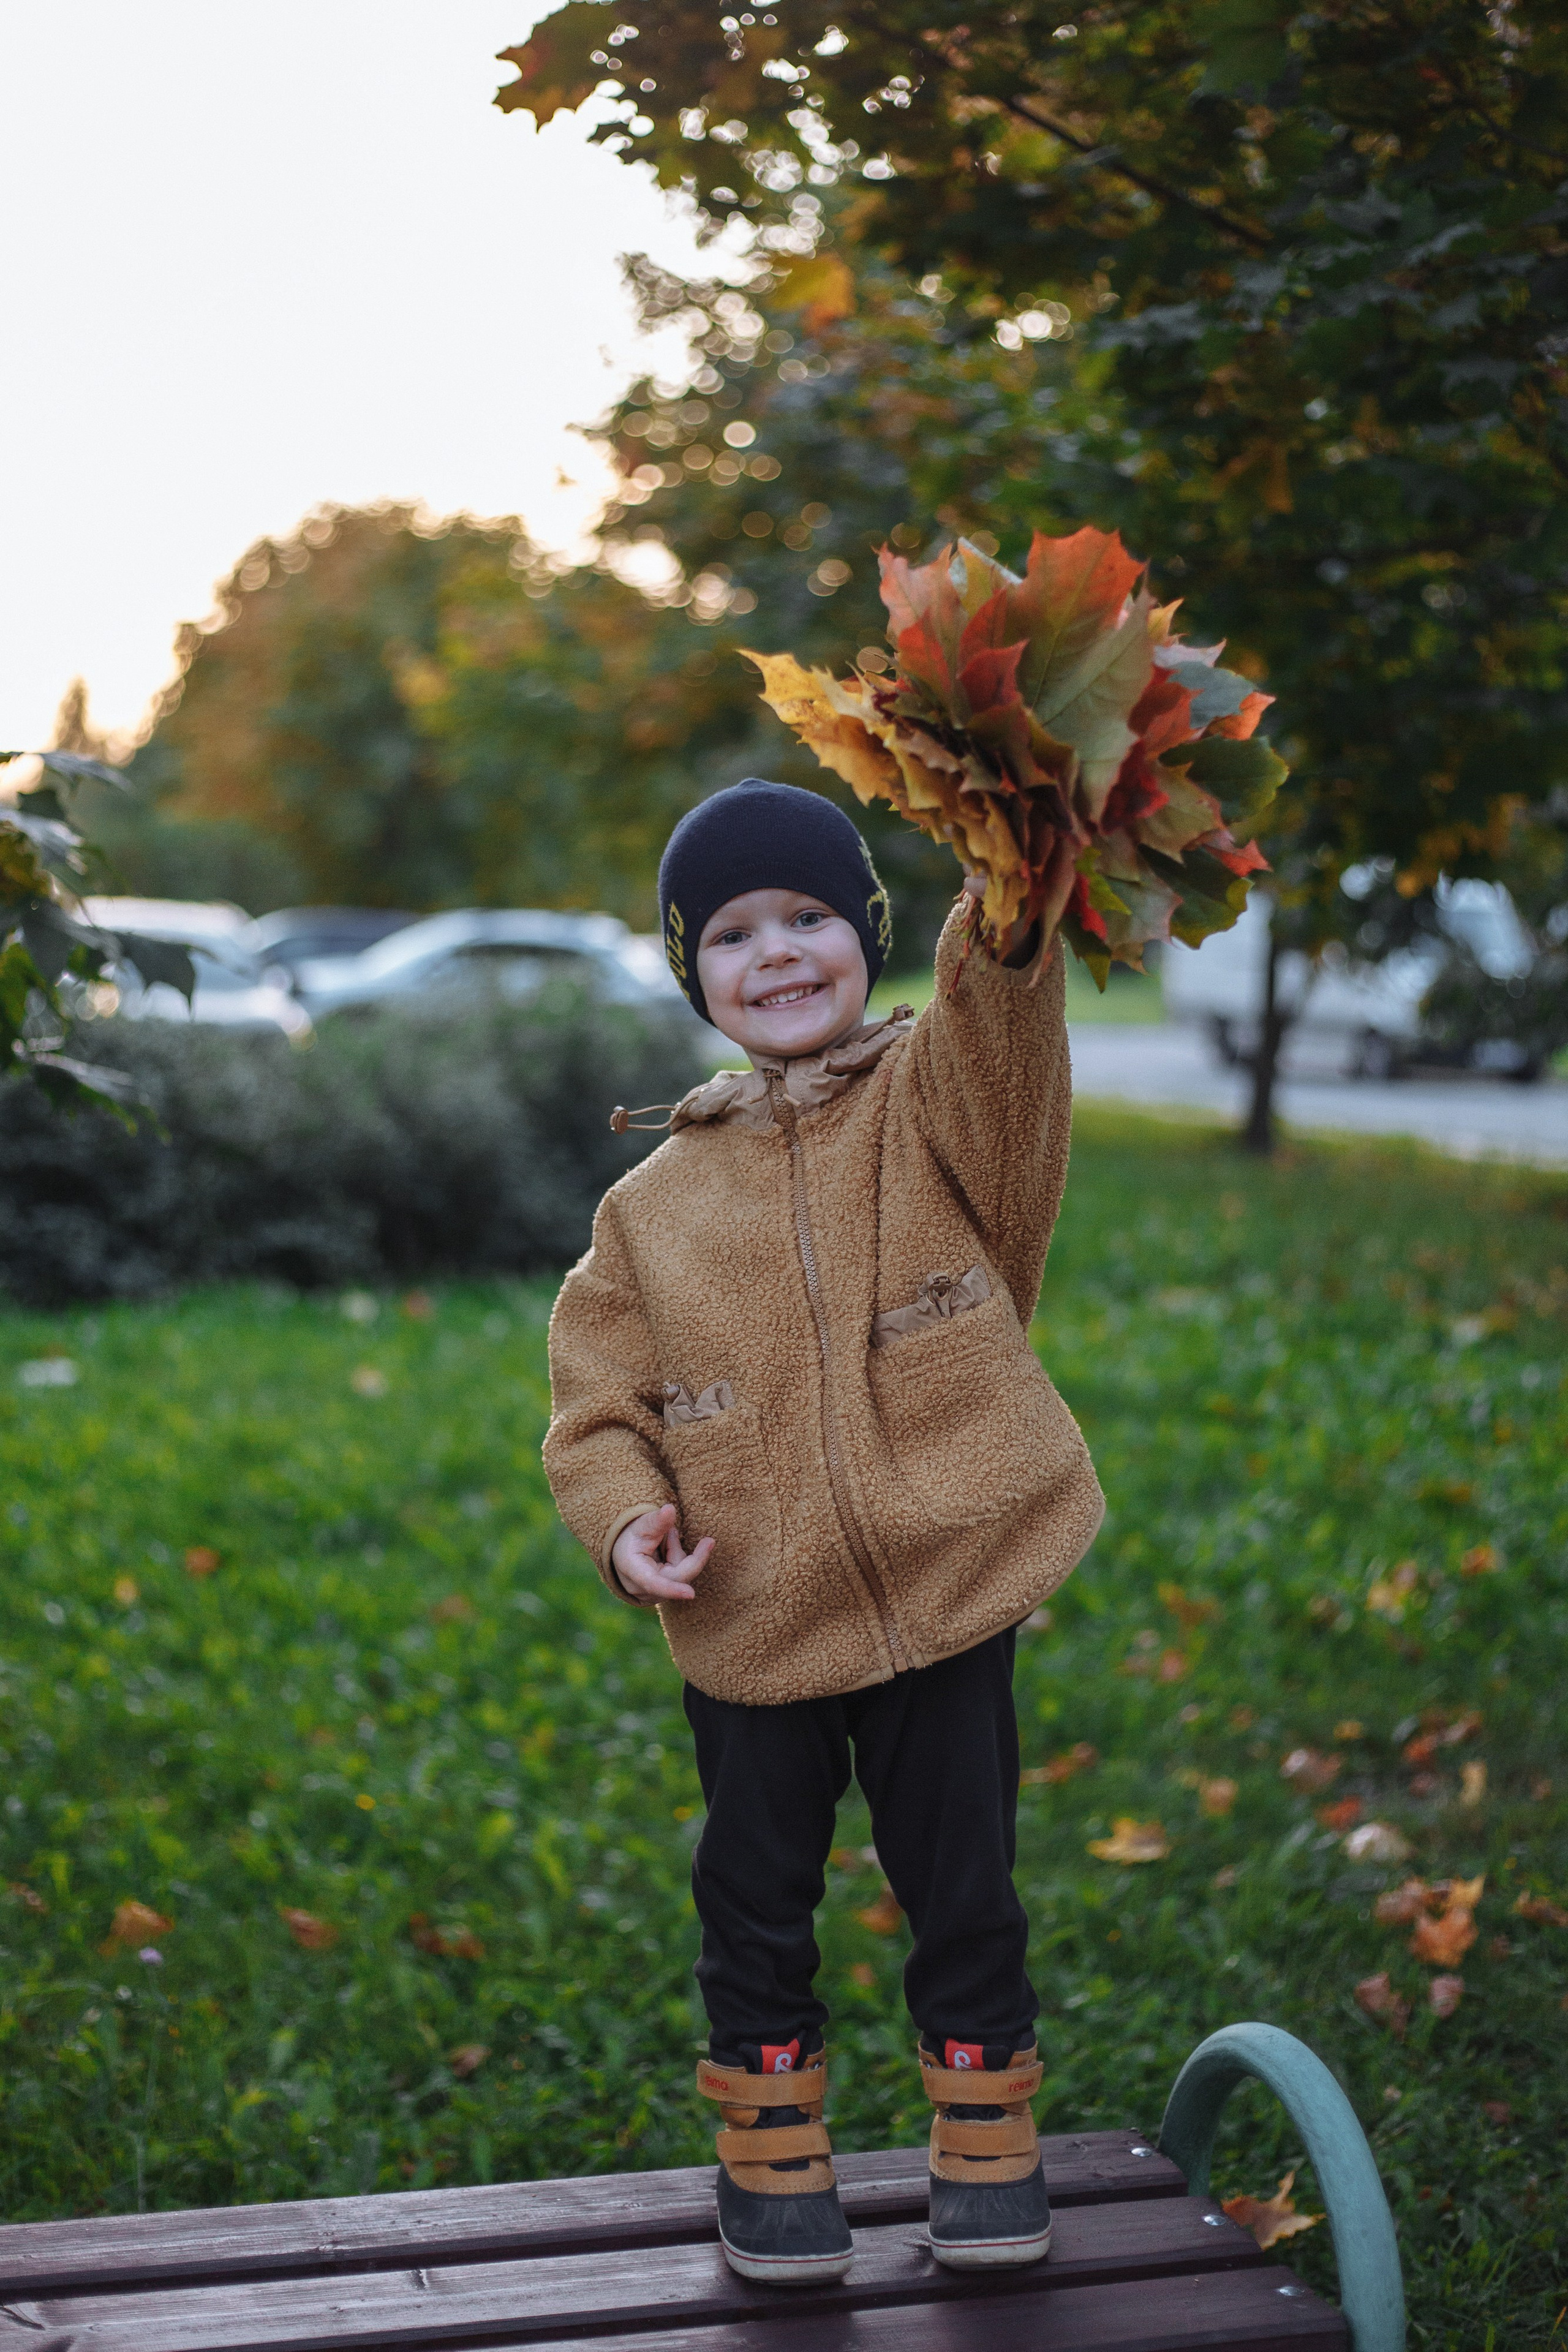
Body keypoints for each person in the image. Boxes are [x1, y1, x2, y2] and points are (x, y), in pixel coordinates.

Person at [543, 777, 1103, 2285]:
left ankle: (986, 2142)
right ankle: (772, 2154)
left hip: (947, 1575)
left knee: (962, 1880)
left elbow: (1000, 1019)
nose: (776, 953)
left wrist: (1007, 898)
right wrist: (621, 1523)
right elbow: (595, 1410)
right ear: (690, 973)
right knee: (752, 1893)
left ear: (865, 930)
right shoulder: (645, 1212)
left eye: (807, 916)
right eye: (731, 933)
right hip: (753, 1613)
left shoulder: (945, 1108)